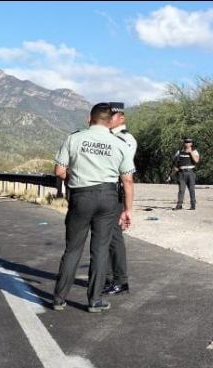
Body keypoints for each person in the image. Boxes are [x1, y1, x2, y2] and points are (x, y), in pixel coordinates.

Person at [52, 103, 135, 313]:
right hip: (108, 198)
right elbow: (127, 180)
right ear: (110, 121)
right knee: (100, 249)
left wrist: (75, 177)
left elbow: (59, 171)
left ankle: (59, 298)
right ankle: (95, 300)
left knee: (73, 248)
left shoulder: (74, 138)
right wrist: (127, 210)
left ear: (89, 118)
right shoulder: (120, 143)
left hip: (81, 196)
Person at [103, 102, 137, 296]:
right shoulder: (108, 136)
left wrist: (127, 207)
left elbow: (124, 171)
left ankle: (120, 280)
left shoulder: (125, 139)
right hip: (105, 190)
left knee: (114, 236)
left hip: (116, 190)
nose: (108, 119)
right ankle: (107, 277)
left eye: (112, 116)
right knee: (105, 236)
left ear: (121, 118)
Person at [172, 138, 200, 210]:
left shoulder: (194, 151)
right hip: (181, 172)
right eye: (186, 142)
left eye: (189, 142)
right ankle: (179, 205)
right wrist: (175, 169)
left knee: (191, 189)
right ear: (183, 143)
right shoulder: (179, 152)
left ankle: (193, 205)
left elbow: (196, 161)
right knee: (181, 190)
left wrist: (190, 152)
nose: (187, 143)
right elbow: (174, 161)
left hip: (190, 172)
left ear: (191, 143)